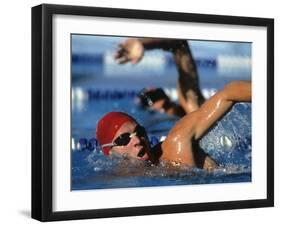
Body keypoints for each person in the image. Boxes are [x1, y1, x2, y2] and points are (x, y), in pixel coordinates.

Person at [96, 81, 251, 171]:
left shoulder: (177, 143)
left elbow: (228, 93)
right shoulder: (112, 181)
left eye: (139, 131)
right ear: (109, 153)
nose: (137, 140)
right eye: (124, 139)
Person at [114, 38, 205, 116]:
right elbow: (180, 46)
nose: (154, 88)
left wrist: (141, 44)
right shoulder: (193, 110)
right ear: (155, 105)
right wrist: (142, 44)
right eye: (152, 94)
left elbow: (179, 45)